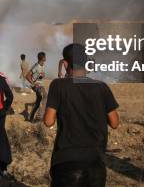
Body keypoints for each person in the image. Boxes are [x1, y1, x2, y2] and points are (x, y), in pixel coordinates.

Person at [43, 43, 119, 187]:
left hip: (65, 161)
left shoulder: (58, 85)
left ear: (65, 64)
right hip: (95, 161)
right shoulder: (102, 87)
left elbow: (48, 121)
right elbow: (115, 122)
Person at [26, 52, 47, 122]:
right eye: (45, 57)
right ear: (43, 58)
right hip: (37, 85)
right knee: (45, 96)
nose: (46, 58)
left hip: (40, 84)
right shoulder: (36, 66)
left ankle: (30, 118)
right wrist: (34, 84)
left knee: (38, 101)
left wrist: (42, 76)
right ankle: (39, 116)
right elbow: (27, 76)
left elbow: (40, 75)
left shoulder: (42, 65)